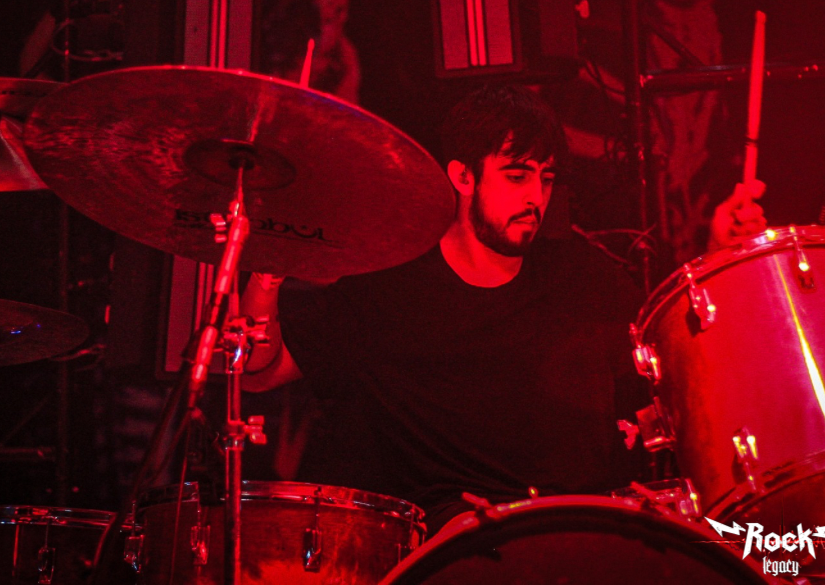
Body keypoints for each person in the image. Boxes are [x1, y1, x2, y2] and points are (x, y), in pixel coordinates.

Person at [239, 84, 766, 534]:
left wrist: (720, 256)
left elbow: (680, 363)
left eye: (546, 178)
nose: (536, 196)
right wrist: (266, 271)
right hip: (456, 547)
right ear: (463, 177)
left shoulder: (584, 277)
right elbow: (261, 369)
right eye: (517, 175)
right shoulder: (389, 290)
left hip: (587, 534)